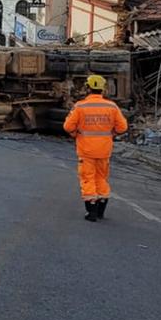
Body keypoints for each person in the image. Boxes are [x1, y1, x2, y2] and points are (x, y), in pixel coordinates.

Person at [63, 75, 129, 222]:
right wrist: (112, 133)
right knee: (101, 178)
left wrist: (75, 133)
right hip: (104, 149)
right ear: (103, 89)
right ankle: (101, 209)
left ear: (87, 88)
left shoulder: (80, 106)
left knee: (88, 178)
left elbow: (68, 126)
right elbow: (122, 127)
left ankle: (91, 211)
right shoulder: (112, 107)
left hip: (86, 150)